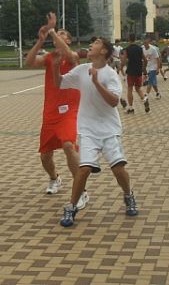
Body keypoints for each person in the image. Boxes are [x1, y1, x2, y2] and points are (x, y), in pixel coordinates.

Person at [53, 37, 138, 227]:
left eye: (97, 43)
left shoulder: (110, 74)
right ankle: (71, 207)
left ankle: (128, 195)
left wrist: (96, 82)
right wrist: (55, 67)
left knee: (118, 168)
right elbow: (59, 83)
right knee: (83, 170)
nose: (91, 45)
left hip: (109, 129)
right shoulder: (82, 69)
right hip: (88, 129)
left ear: (104, 51)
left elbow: (114, 102)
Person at [25, 13, 88, 209]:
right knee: (45, 155)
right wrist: (40, 40)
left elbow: (69, 55)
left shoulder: (73, 56)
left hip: (70, 110)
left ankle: (81, 191)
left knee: (69, 145)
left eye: (62, 34)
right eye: (56, 34)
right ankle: (54, 178)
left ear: (67, 40)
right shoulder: (49, 57)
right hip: (50, 112)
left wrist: (51, 30)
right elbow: (29, 62)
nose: (57, 37)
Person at [121, 34, 149, 114]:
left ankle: (131, 108)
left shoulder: (127, 49)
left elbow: (123, 60)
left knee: (129, 89)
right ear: (135, 39)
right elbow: (145, 60)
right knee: (138, 89)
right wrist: (143, 69)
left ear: (129, 39)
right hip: (138, 72)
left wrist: (122, 66)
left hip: (130, 72)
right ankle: (144, 99)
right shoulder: (140, 49)